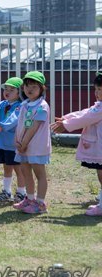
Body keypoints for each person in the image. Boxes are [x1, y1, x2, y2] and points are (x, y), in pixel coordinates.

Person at [52, 73, 102, 216]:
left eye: (100, 89)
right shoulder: (99, 106)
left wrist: (66, 124)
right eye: (96, 89)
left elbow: (87, 117)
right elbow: (85, 112)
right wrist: (67, 118)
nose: (97, 93)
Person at [12, 71, 51, 214]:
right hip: (23, 145)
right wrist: (17, 140)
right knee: (25, 171)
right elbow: (20, 124)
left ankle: (40, 203)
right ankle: (29, 199)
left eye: (34, 86)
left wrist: (24, 142)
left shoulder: (42, 106)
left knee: (40, 174)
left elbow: (34, 126)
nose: (29, 89)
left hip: (36, 146)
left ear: (42, 88)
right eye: (27, 86)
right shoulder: (24, 104)